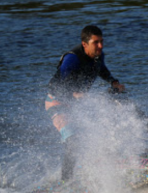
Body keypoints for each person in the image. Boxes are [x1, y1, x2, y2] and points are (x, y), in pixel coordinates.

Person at [45, 25, 125, 181]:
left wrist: (113, 82)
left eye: (101, 41)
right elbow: (58, 85)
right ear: (84, 44)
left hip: (77, 104)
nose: (100, 46)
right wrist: (74, 94)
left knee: (103, 131)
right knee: (73, 142)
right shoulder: (72, 59)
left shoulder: (98, 56)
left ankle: (104, 169)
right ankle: (65, 183)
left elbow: (101, 69)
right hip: (57, 103)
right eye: (96, 42)